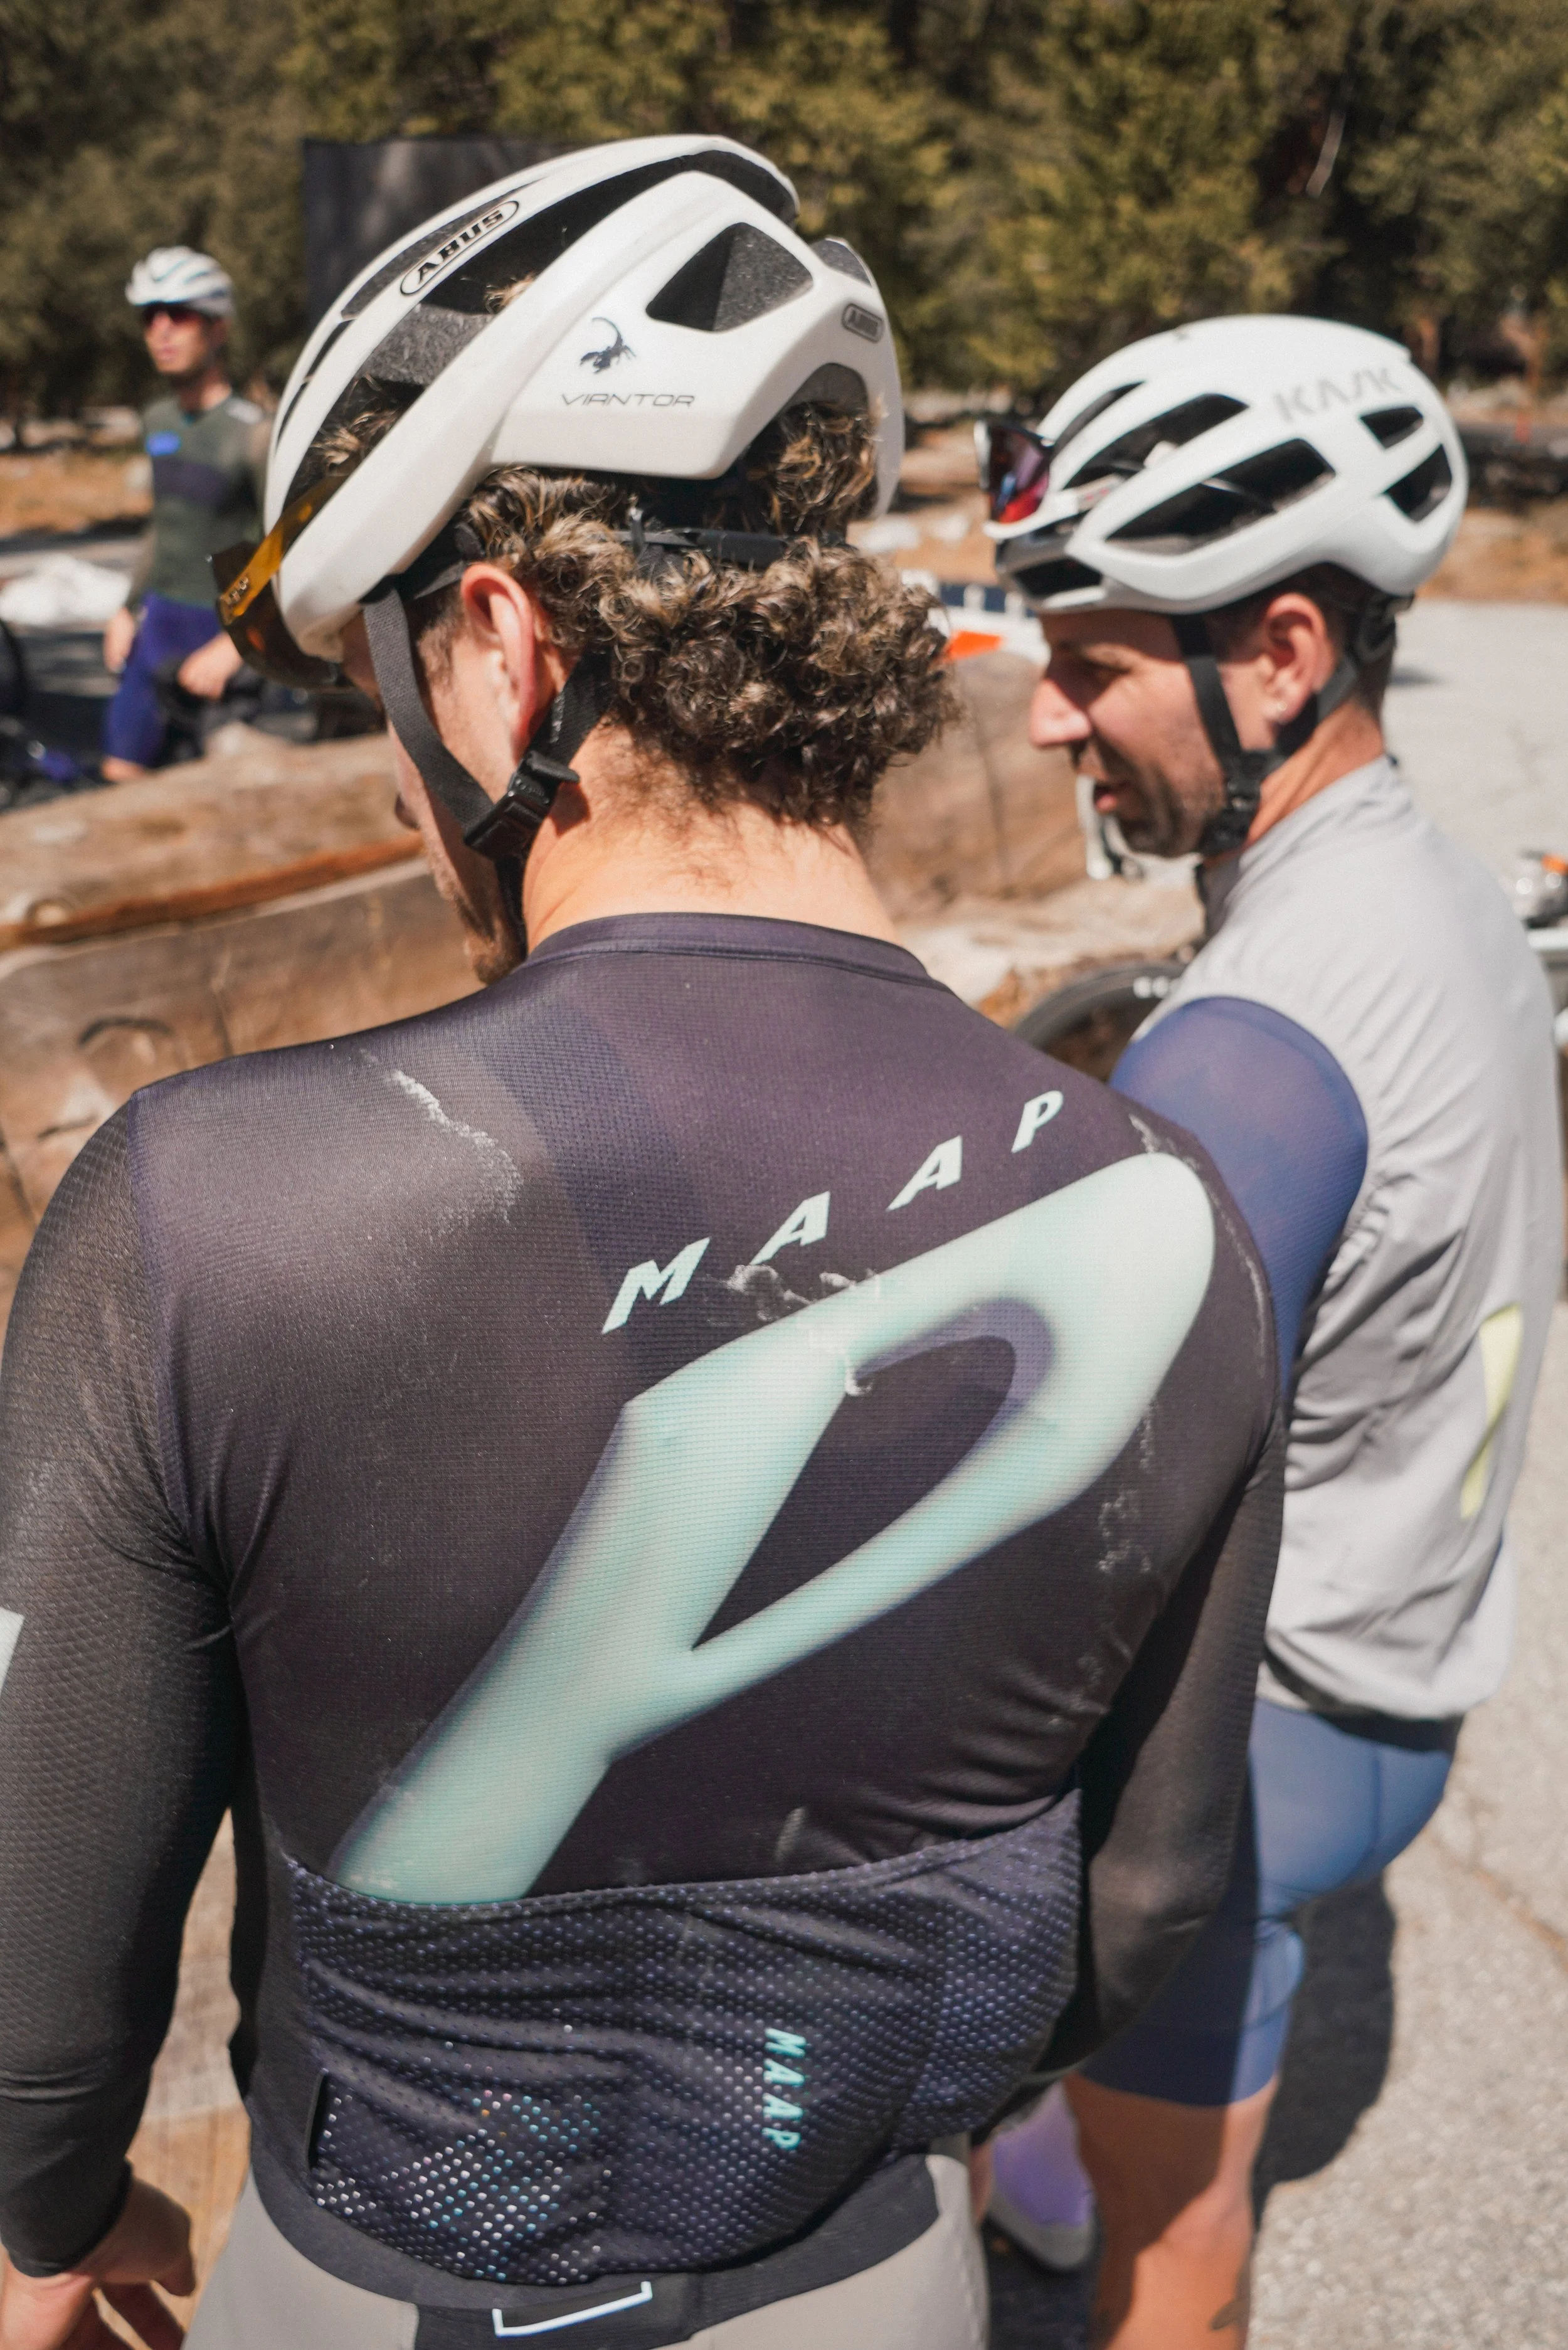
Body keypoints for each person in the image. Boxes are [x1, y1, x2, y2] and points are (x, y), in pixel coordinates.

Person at [0, 142, 1283, 2350]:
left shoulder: (206, 1208)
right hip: (873, 2262)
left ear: (504, 651)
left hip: (379, 2271)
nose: (406, 800)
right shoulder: (1172, 1210)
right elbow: (1152, 1892)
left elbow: (40, 1941)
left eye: (383, 697)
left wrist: (51, 2212)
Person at [979, 312, 1563, 2345]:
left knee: (1184, 2251)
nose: (1050, 721)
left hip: (1274, 1732)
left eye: (1093, 657)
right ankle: (1047, 2166)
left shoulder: (1261, 1032)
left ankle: (1075, 2176)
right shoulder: (1433, 884)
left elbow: (1079, 1508)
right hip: (1407, 1644)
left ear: (1285, 653)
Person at [100, 248, 266, 780]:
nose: (162, 329)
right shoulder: (156, 420)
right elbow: (164, 522)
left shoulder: (254, 432)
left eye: (180, 313)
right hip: (158, 629)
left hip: (223, 637)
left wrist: (236, 645)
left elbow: (284, 547)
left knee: (221, 806)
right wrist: (127, 608)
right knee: (120, 779)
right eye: (150, 316)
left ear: (218, 329)